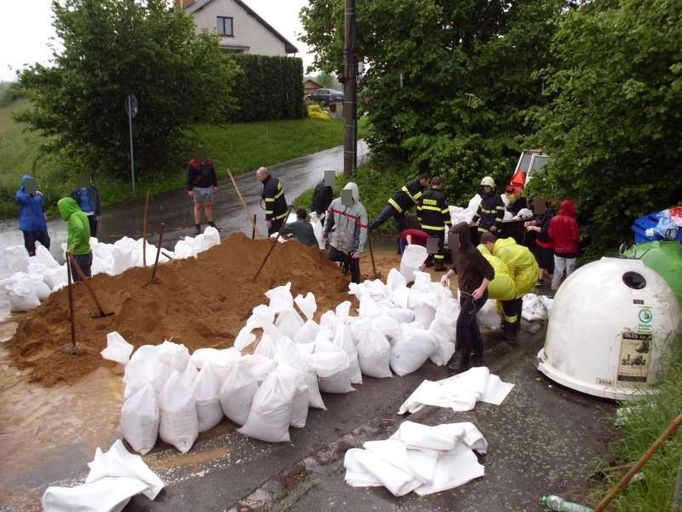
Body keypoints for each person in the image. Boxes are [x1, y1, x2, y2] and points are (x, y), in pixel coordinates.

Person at [440, 222, 495, 373]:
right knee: (470, 323)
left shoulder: (472, 253)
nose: (453, 244)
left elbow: (490, 272)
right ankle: (478, 352)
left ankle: (462, 355)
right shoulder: (456, 250)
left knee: (461, 324)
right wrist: (447, 275)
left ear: (463, 238)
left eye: (455, 240)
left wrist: (481, 288)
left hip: (476, 295)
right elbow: (457, 267)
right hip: (464, 293)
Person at [480, 232, 539, 342]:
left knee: (510, 300)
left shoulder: (503, 251)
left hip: (525, 275)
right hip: (526, 272)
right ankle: (515, 326)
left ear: (488, 243)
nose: (487, 251)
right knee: (515, 299)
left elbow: (507, 277)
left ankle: (510, 331)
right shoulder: (502, 246)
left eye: (485, 247)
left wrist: (500, 300)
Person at [369, 173, 430, 249]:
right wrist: (430, 195)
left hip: (400, 210)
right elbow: (419, 199)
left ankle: (401, 249)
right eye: (427, 182)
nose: (428, 184)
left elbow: (414, 201)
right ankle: (367, 229)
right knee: (380, 220)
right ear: (423, 179)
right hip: (394, 205)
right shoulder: (414, 184)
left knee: (403, 230)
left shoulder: (420, 188)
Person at [323, 182, 368, 284]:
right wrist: (325, 233)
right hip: (337, 239)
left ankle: (355, 284)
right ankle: (345, 265)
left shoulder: (360, 211)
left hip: (350, 243)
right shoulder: (336, 203)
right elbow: (329, 219)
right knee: (333, 256)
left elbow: (361, 231)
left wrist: (357, 249)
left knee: (354, 265)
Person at [417, 176, 451, 271]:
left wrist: (420, 221)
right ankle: (439, 265)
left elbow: (419, 210)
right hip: (438, 227)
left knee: (430, 244)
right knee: (439, 246)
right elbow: (445, 212)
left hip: (426, 226)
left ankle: (428, 262)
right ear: (440, 184)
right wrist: (449, 224)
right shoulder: (441, 196)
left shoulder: (424, 195)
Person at [57, 197, 92, 282]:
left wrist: (74, 246)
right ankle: (88, 294)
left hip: (78, 255)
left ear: (66, 208)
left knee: (79, 282)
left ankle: (83, 295)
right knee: (87, 279)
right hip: (86, 252)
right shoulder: (81, 214)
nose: (61, 213)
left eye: (61, 210)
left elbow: (80, 229)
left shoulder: (74, 216)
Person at [548, 199, 580, 290]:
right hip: (571, 251)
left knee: (558, 271)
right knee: (570, 272)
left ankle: (554, 288)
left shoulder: (554, 219)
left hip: (558, 250)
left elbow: (551, 234)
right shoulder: (572, 221)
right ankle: (569, 289)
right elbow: (575, 237)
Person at [16, 174, 50, 257]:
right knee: (30, 246)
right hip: (28, 226)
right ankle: (34, 263)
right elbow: (20, 200)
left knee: (46, 243)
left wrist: (44, 213)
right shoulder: (20, 193)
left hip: (40, 224)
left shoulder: (38, 194)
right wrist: (32, 194)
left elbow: (42, 205)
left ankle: (47, 261)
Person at [186, 145, 218, 235]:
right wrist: (190, 189)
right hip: (197, 188)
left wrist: (215, 184)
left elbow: (213, 173)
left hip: (209, 187)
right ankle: (197, 226)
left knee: (208, 205)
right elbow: (190, 177)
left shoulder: (209, 162)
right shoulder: (193, 164)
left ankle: (211, 224)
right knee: (198, 206)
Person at [525, 201, 557, 285]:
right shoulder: (541, 213)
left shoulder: (550, 216)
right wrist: (531, 222)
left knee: (548, 261)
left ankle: (554, 280)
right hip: (539, 241)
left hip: (548, 242)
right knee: (540, 260)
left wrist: (532, 227)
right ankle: (540, 279)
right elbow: (539, 221)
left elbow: (544, 230)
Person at [471, 176, 505, 243]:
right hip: (483, 226)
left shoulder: (497, 198)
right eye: (484, 187)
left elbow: (500, 214)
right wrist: (473, 220)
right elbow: (479, 211)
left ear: (491, 187)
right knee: (481, 244)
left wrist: (495, 225)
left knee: (491, 245)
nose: (485, 189)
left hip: (492, 228)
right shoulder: (485, 198)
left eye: (487, 187)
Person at [256, 166, 288, 236]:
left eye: (258, 176)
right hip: (283, 211)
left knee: (272, 235)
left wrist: (268, 220)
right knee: (281, 233)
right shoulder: (275, 180)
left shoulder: (269, 188)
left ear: (264, 175)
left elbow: (269, 205)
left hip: (277, 216)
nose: (257, 178)